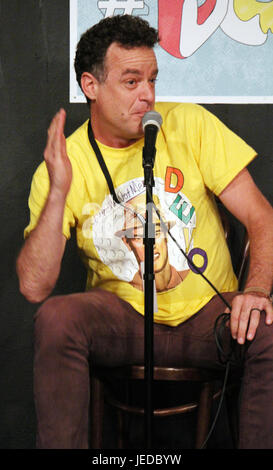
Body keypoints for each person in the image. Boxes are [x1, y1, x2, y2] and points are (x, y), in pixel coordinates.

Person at [16, 14, 273, 449]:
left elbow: (261, 217)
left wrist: (258, 290)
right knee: (56, 319)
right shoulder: (66, 161)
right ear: (90, 86)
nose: (148, 95)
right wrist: (59, 190)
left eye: (152, 79)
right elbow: (34, 287)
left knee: (267, 324)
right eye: (131, 82)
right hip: (123, 319)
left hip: (209, 317)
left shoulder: (190, 124)